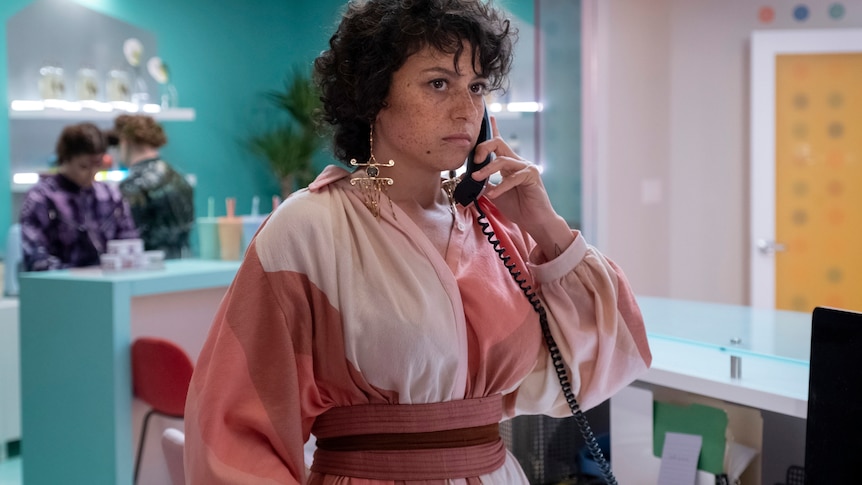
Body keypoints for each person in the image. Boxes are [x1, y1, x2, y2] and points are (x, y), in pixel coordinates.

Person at [184, 1, 652, 483]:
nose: (466, 109)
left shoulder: (494, 229)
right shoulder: (307, 228)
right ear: (372, 96)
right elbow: (232, 432)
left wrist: (547, 226)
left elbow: (610, 354)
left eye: (476, 87)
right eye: (438, 83)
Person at [19, 122, 138, 271]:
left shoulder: (111, 196)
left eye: (98, 164)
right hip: (62, 287)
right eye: (84, 166)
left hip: (109, 285)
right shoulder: (42, 198)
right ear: (65, 159)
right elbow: (36, 258)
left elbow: (129, 243)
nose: (92, 172)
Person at [112, 114, 194, 259]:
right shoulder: (180, 178)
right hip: (183, 263)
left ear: (125, 141)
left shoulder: (132, 186)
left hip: (147, 266)